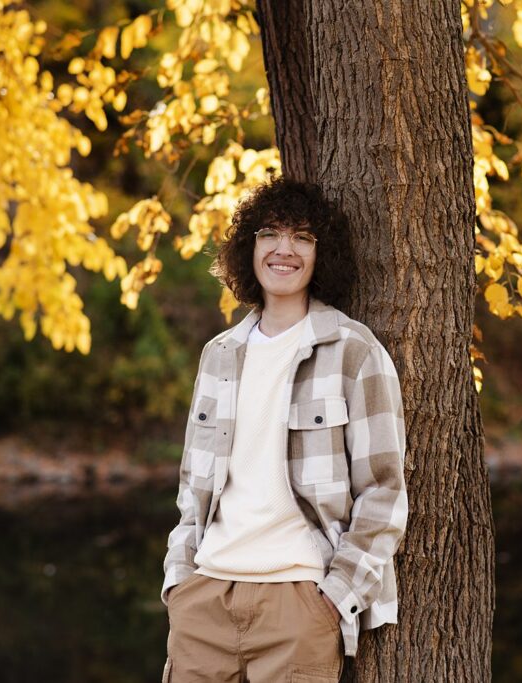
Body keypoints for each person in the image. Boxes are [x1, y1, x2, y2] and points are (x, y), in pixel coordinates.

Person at [160, 176, 408, 683]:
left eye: (302, 238)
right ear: (249, 247)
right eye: (270, 233)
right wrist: (180, 582)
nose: (284, 249)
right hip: (205, 600)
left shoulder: (353, 351)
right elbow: (193, 485)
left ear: (323, 256)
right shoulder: (219, 355)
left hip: (299, 603)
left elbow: (384, 491)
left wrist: (335, 598)